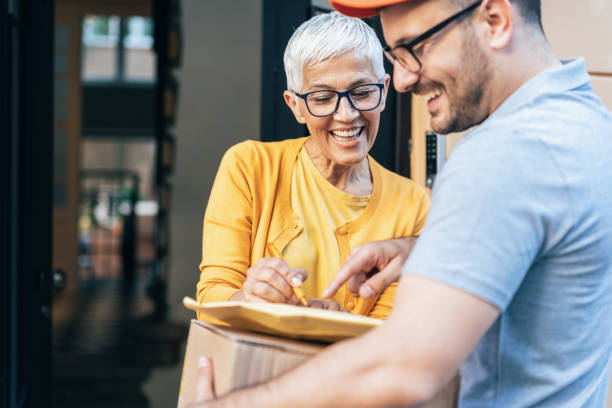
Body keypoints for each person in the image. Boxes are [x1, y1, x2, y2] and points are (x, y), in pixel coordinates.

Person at [189, 0, 612, 406]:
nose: (406, 79)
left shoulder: (502, 157)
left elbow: (404, 365)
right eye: (396, 55)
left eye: (417, 46)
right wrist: (424, 251)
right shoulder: (591, 128)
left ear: (496, 20)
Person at [196, 12, 429, 319]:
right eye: (322, 98)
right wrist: (247, 299)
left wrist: (322, 320)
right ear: (295, 105)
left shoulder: (413, 205)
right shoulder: (248, 167)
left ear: (384, 91)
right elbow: (213, 295)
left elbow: (388, 332)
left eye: (362, 93)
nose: (346, 114)